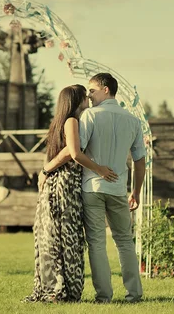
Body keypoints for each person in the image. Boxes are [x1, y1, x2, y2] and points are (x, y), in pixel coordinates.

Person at [43, 73, 146, 304]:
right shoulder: (133, 121)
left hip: (92, 188)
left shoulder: (89, 116)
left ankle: (104, 297)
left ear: (106, 89)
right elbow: (140, 161)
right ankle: (134, 294)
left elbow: (75, 152)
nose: (88, 95)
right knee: (124, 241)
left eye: (92, 90)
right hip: (119, 189)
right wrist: (136, 192)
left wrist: (48, 168)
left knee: (97, 243)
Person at [24, 84, 118, 303]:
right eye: (84, 97)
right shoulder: (73, 121)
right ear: (77, 101)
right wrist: (99, 169)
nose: (88, 99)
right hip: (64, 184)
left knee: (57, 235)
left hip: (58, 181)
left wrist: (45, 170)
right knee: (65, 235)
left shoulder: (61, 121)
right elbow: (72, 152)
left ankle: (56, 287)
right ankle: (61, 288)